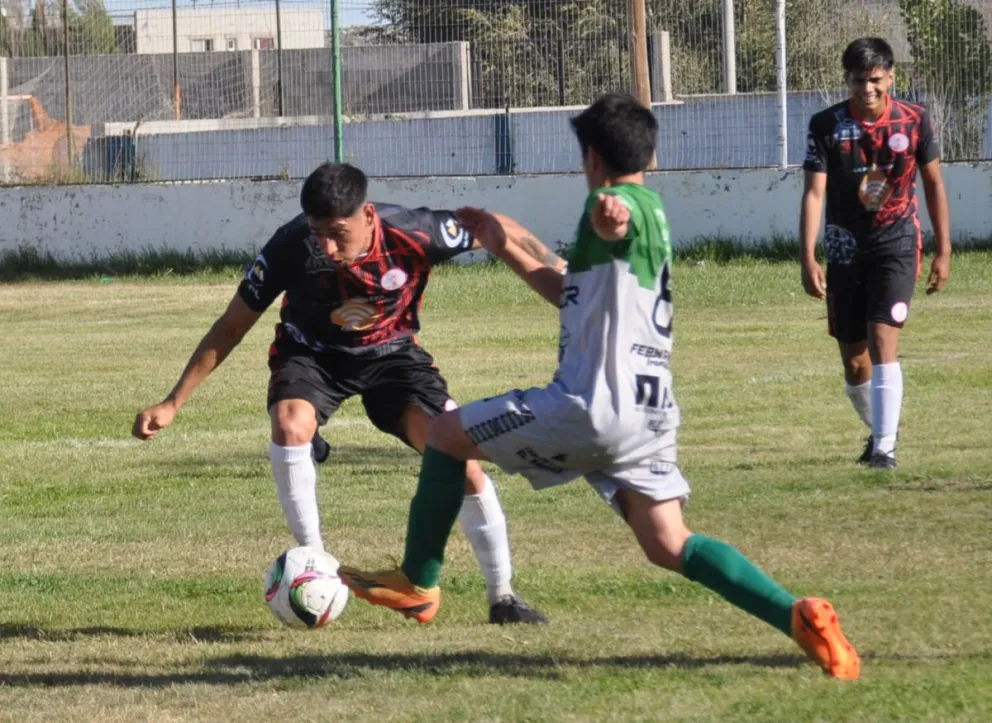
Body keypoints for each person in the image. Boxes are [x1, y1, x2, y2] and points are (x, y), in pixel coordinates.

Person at [339, 93, 861, 680]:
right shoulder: (646, 215)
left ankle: (418, 581)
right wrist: (501, 243)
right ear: (652, 153)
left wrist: (612, 216)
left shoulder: (622, 206)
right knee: (668, 542)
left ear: (590, 156)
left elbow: (620, 218)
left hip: (591, 408)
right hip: (649, 415)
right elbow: (568, 294)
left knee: (444, 432)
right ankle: (797, 616)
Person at [131, 162, 552, 625]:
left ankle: (503, 598)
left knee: (460, 462)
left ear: (367, 214)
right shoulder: (291, 245)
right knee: (291, 425)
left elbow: (495, 227)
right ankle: (315, 564)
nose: (327, 248)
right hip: (312, 357)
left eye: (337, 233)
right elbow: (233, 324)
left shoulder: (414, 232)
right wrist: (173, 402)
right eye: (318, 233)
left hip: (395, 359)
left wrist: (559, 270)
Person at [800, 37, 951, 469]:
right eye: (858, 81)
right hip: (846, 248)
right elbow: (814, 193)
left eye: (875, 80)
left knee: (884, 338)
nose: (867, 89)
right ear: (846, 81)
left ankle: (884, 448)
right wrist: (808, 255)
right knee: (854, 362)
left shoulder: (915, 120)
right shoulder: (825, 125)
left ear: (891, 77)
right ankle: (883, 425)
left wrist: (944, 249)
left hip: (897, 242)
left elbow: (934, 185)